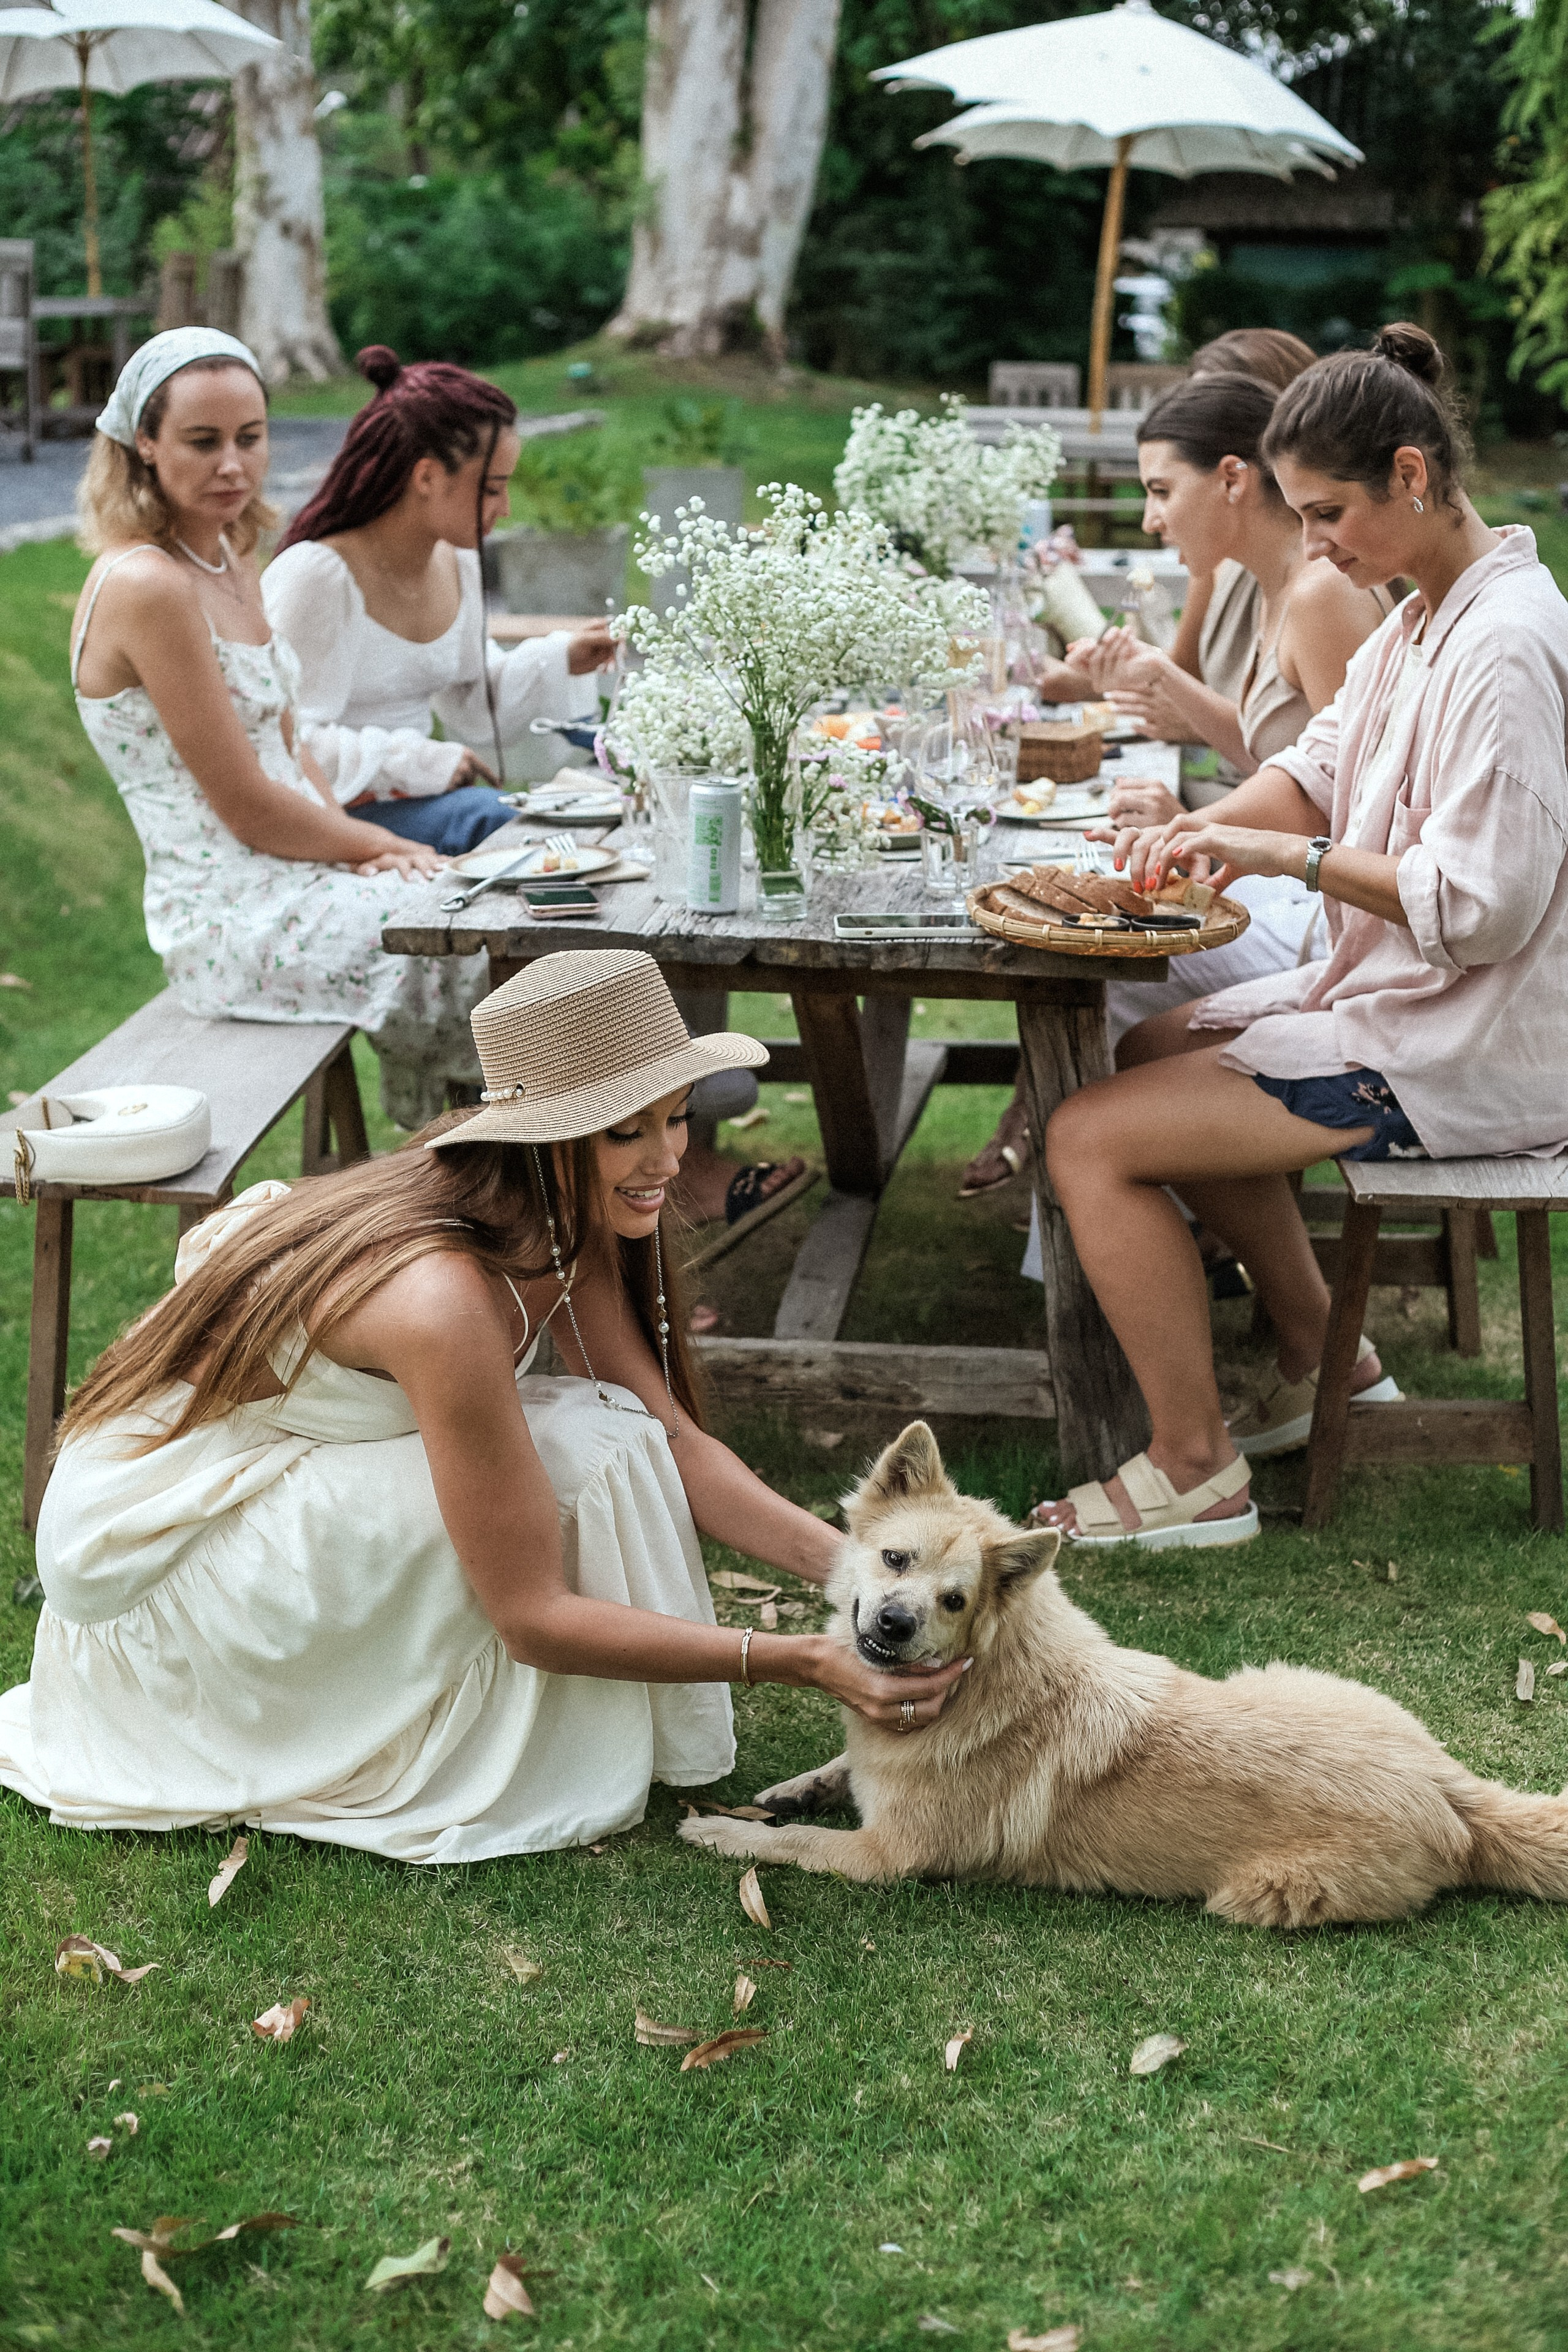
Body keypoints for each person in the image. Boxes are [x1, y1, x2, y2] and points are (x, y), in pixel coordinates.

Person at [0, 952, 967, 1858]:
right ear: (542, 1138)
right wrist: (802, 1659)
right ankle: (361, 1721)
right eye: (625, 1130)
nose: (668, 1158)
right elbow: (530, 1614)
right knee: (579, 1450)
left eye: (675, 1116)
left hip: (282, 1463)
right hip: (168, 1550)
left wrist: (856, 1579)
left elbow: (673, 1438)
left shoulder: (569, 1215)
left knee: (612, 1434)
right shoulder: (443, 1303)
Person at [1027, 323, 1568, 1547]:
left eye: (1325, 515)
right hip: (1397, 1002)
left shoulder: (1503, 643)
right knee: (1152, 1044)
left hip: (1471, 1046)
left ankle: (1192, 1468)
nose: (1312, 548)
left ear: (1411, 477)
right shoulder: (1423, 614)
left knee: (1085, 1140)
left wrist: (1285, 857)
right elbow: (1317, 764)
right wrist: (1203, 828)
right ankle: (1325, 1351)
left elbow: (1486, 908)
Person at [68, 326, 488, 1129]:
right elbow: (248, 804)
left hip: (299, 881)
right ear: (144, 444)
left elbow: (292, 747)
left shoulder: (231, 554)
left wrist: (354, 848)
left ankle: (516, 1179)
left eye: (250, 439)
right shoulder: (147, 585)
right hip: (229, 922)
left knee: (492, 914)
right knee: (473, 939)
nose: (233, 464)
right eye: (203, 441)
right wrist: (384, 846)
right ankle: (483, 1179)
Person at [262, 346, 616, 856]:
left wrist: (565, 655)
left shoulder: (457, 561)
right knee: (510, 826)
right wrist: (418, 762)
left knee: (583, 820)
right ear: (426, 477)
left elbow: (472, 701)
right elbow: (283, 742)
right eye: (492, 489)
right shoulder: (318, 577)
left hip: (420, 796)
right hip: (338, 812)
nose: (506, 508)